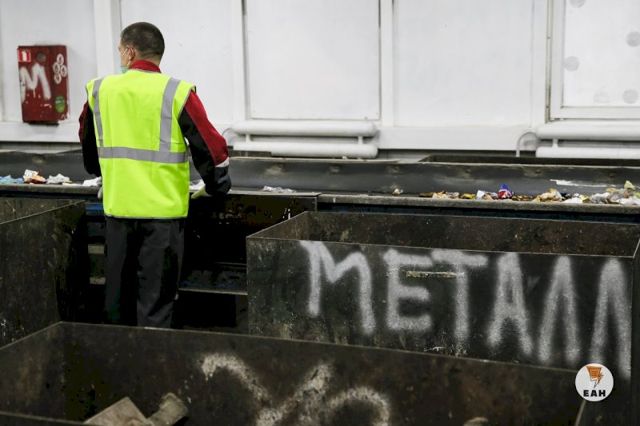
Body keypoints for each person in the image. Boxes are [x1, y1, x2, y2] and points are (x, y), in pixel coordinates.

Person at [79, 22, 230, 328]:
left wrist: (102, 172)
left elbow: (87, 139)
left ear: (130, 52)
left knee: (117, 305)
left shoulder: (100, 90)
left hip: (118, 213)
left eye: (120, 50)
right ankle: (153, 358)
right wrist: (217, 186)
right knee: (156, 306)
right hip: (163, 220)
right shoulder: (177, 92)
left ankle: (117, 358)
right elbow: (211, 147)